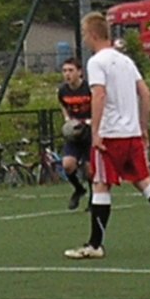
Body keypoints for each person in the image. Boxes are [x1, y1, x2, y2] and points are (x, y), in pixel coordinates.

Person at [64, 12, 150, 260]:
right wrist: (143, 128)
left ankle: (95, 245)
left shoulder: (97, 62)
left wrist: (96, 133)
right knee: (144, 182)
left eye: (85, 34)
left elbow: (99, 95)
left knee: (100, 185)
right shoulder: (126, 61)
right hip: (131, 135)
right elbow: (146, 94)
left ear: (93, 34)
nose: (84, 39)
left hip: (110, 136)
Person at [57, 57, 92, 211]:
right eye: (64, 71)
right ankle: (79, 189)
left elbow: (100, 105)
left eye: (71, 70)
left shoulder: (89, 88)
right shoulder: (63, 91)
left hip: (89, 132)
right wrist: (67, 120)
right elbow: (63, 105)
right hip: (74, 134)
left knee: (90, 170)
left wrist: (90, 121)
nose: (67, 74)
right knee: (68, 165)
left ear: (80, 72)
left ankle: (93, 199)